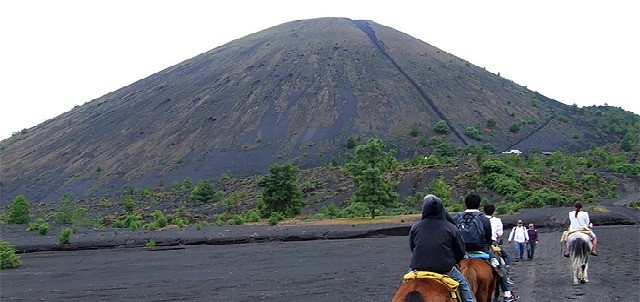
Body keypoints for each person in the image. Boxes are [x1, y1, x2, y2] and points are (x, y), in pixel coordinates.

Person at [409, 194, 476, 302]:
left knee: (403, 285)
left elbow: (413, 248)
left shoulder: (415, 227)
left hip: (418, 268)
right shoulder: (451, 228)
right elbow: (460, 251)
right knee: (464, 284)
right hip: (445, 269)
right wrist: (452, 261)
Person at [454, 193, 518, 302]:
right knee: (499, 266)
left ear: (465, 204)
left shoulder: (456, 217)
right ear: (479, 205)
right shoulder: (483, 218)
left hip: (462, 252)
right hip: (482, 250)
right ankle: (507, 293)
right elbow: (488, 237)